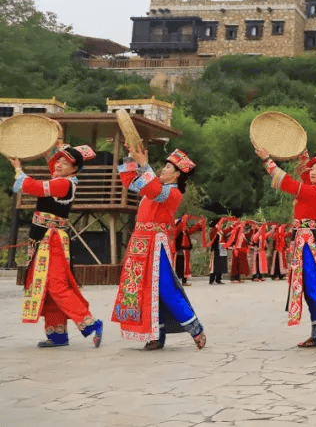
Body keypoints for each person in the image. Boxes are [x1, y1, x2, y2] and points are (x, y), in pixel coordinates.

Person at [112, 143, 206, 349]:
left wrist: (145, 165)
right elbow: (130, 182)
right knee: (144, 290)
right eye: (164, 166)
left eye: (169, 168)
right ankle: (156, 335)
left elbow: (153, 189)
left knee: (165, 287)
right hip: (139, 244)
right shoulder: (153, 188)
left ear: (177, 176)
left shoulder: (172, 194)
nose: (164, 169)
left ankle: (195, 328)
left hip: (155, 245)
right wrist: (132, 157)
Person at [255, 147, 316, 351]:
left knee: (314, 284)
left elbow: (287, 182)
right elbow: (303, 173)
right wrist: (302, 152)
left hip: (308, 241)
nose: (313, 172)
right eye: (312, 168)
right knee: (307, 287)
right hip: (302, 238)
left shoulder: (313, 192)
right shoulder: (313, 187)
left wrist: (267, 159)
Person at [10, 142, 104, 348]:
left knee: (56, 285)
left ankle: (90, 323)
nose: (59, 164)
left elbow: (33, 187)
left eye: (65, 162)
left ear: (75, 169)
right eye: (58, 161)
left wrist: (18, 169)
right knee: (48, 286)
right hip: (43, 240)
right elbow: (49, 168)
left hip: (51, 241)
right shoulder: (60, 180)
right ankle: (57, 333)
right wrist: (49, 148)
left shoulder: (64, 184)